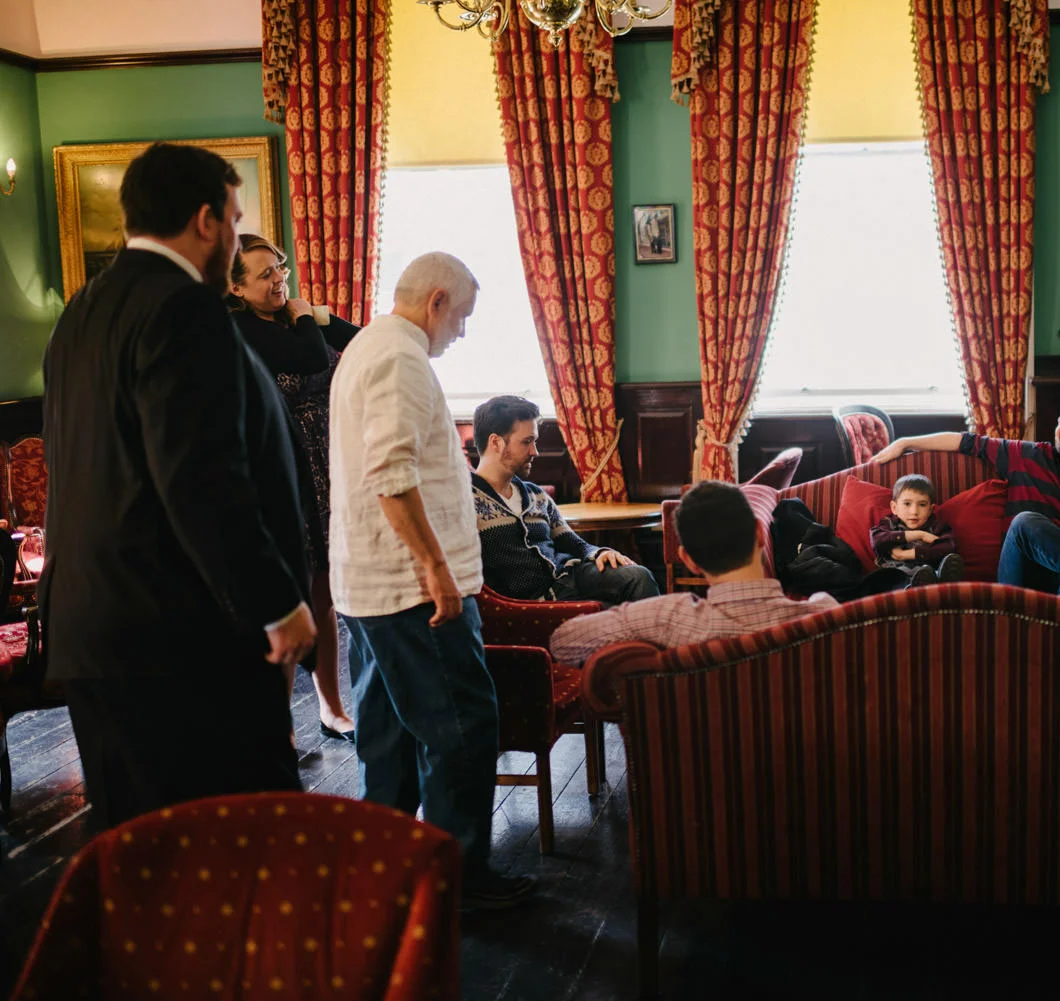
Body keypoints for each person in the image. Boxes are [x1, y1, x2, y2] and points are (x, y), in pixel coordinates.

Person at [41, 142, 316, 827]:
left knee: (142, 854)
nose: (234, 233)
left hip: (94, 630)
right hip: (180, 642)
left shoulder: (81, 312)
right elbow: (199, 477)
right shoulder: (184, 308)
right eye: (234, 216)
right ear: (206, 221)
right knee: (234, 851)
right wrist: (278, 604)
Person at [328, 252, 531, 909]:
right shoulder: (402, 358)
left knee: (385, 735)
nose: (461, 333)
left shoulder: (365, 346)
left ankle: (390, 875)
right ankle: (460, 883)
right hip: (413, 589)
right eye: (462, 318)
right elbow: (391, 474)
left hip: (368, 586)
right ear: (436, 301)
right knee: (462, 726)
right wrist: (438, 571)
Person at [228, 233, 358, 742]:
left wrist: (316, 315)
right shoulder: (238, 329)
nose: (279, 279)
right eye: (264, 274)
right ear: (236, 289)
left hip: (330, 471)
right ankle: (277, 722)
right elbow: (308, 359)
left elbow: (362, 339)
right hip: (280, 474)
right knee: (287, 598)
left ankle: (331, 707)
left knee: (325, 597)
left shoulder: (300, 321)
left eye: (279, 268)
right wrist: (307, 316)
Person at [871, 400, 1060, 597]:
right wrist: (905, 442)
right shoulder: (1028, 455)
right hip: (1018, 577)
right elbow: (964, 441)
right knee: (1025, 524)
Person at [550, 481, 839, 665]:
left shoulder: (664, 618)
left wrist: (637, 643)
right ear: (759, 535)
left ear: (688, 560)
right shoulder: (825, 614)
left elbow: (562, 642)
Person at [471, 395, 659, 605]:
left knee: (637, 577)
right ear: (496, 442)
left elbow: (571, 541)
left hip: (572, 576)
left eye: (535, 441)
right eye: (527, 442)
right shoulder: (466, 502)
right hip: (531, 601)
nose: (535, 451)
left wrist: (598, 552)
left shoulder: (537, 496)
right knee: (609, 610)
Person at [869, 474, 964, 587]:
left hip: (929, 574)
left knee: (942, 566)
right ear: (894, 508)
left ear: (930, 510)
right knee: (886, 580)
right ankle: (916, 589)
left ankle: (943, 583)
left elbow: (948, 546)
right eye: (907, 504)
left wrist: (905, 554)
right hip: (895, 576)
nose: (914, 511)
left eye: (922, 505)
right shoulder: (888, 524)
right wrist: (919, 535)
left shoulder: (936, 527)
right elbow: (877, 540)